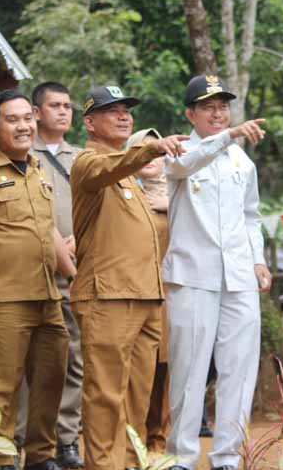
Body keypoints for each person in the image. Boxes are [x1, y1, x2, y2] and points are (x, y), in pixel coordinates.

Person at [69, 86, 188, 470]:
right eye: (112, 111)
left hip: (145, 297)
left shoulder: (130, 180)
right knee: (106, 395)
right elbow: (109, 169)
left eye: (127, 111)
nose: (123, 116)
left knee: (138, 393)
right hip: (108, 297)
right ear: (90, 122)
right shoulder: (89, 164)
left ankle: (131, 462)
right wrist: (151, 149)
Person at [0, 90, 76, 470]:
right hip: (5, 297)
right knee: (2, 385)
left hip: (48, 295)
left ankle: (40, 457)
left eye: (27, 118)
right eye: (13, 119)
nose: (24, 126)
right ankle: (2, 458)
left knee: (51, 378)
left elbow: (49, 231)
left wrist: (73, 278)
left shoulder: (39, 170)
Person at [161, 75, 270, 470]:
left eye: (223, 106)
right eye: (208, 107)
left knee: (239, 367)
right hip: (193, 274)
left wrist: (258, 259)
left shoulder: (242, 161)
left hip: (239, 276)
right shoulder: (178, 150)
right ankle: (182, 456)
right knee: (188, 368)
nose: (219, 113)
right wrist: (229, 136)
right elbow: (185, 165)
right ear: (190, 114)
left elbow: (251, 216)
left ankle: (226, 457)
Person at [13, 82, 84, 469]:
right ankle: (19, 436)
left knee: (72, 358)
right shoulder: (22, 154)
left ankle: (66, 438)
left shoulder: (82, 158)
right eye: (55, 105)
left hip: (73, 272)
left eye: (68, 106)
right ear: (37, 113)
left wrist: (79, 242)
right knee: (27, 361)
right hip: (30, 271)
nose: (63, 112)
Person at [126, 128, 171, 453]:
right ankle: (133, 442)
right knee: (136, 369)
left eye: (157, 150)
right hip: (133, 290)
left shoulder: (182, 191)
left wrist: (174, 205)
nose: (151, 156)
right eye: (142, 150)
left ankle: (159, 441)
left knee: (166, 368)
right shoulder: (123, 191)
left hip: (173, 292)